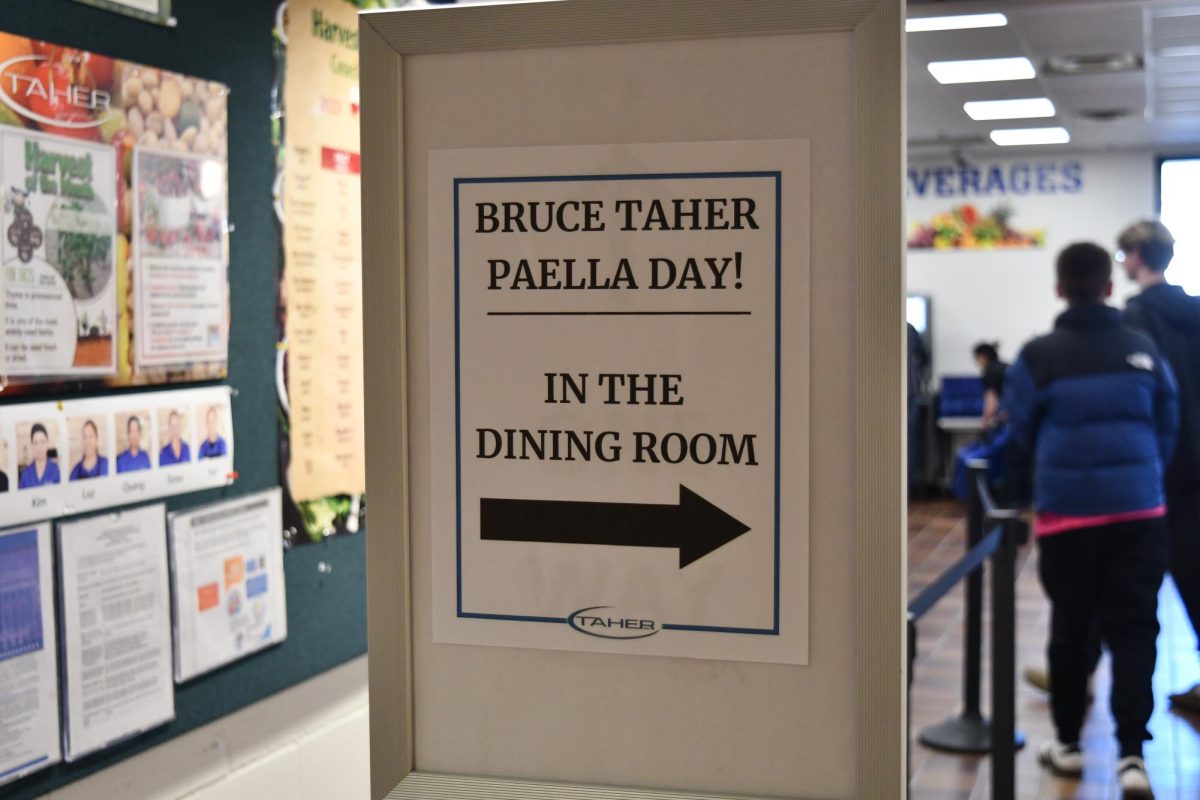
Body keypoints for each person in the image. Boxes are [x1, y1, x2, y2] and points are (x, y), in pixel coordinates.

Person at [1004, 242, 1177, 798]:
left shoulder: (1037, 355)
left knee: (1070, 628)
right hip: (1139, 514)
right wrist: (1140, 478)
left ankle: (1069, 746)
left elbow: (1022, 431)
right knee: (1134, 630)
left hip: (1068, 518)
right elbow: (1167, 428)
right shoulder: (1143, 347)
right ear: (1108, 287)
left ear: (1059, 288)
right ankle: (1132, 756)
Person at [1118, 220, 1200, 712]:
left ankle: (1082, 676)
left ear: (1135, 256)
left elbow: (1140, 395)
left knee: (1130, 573)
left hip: (1163, 463)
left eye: (1124, 253)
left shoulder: (1135, 317)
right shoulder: (1195, 309)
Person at [908, 322, 929, 492]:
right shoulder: (909, 328)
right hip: (912, 392)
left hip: (885, 395)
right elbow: (924, 359)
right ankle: (909, 487)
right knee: (909, 441)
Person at [973, 341, 1007, 429]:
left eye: (977, 358)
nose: (977, 363)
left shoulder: (990, 372)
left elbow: (990, 401)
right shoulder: (1006, 367)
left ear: (983, 356)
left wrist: (985, 424)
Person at [18, 423, 60, 489]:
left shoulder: (56, 470)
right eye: (36, 443)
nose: (39, 447)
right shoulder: (26, 474)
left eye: (42, 442)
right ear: (32, 445)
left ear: (47, 443)